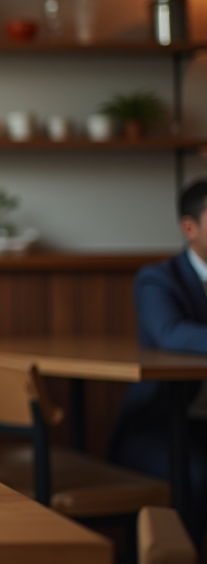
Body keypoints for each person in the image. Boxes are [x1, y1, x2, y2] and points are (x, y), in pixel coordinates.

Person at [108, 179, 207, 548]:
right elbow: (171, 333)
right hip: (160, 425)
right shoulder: (158, 278)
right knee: (196, 478)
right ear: (189, 228)